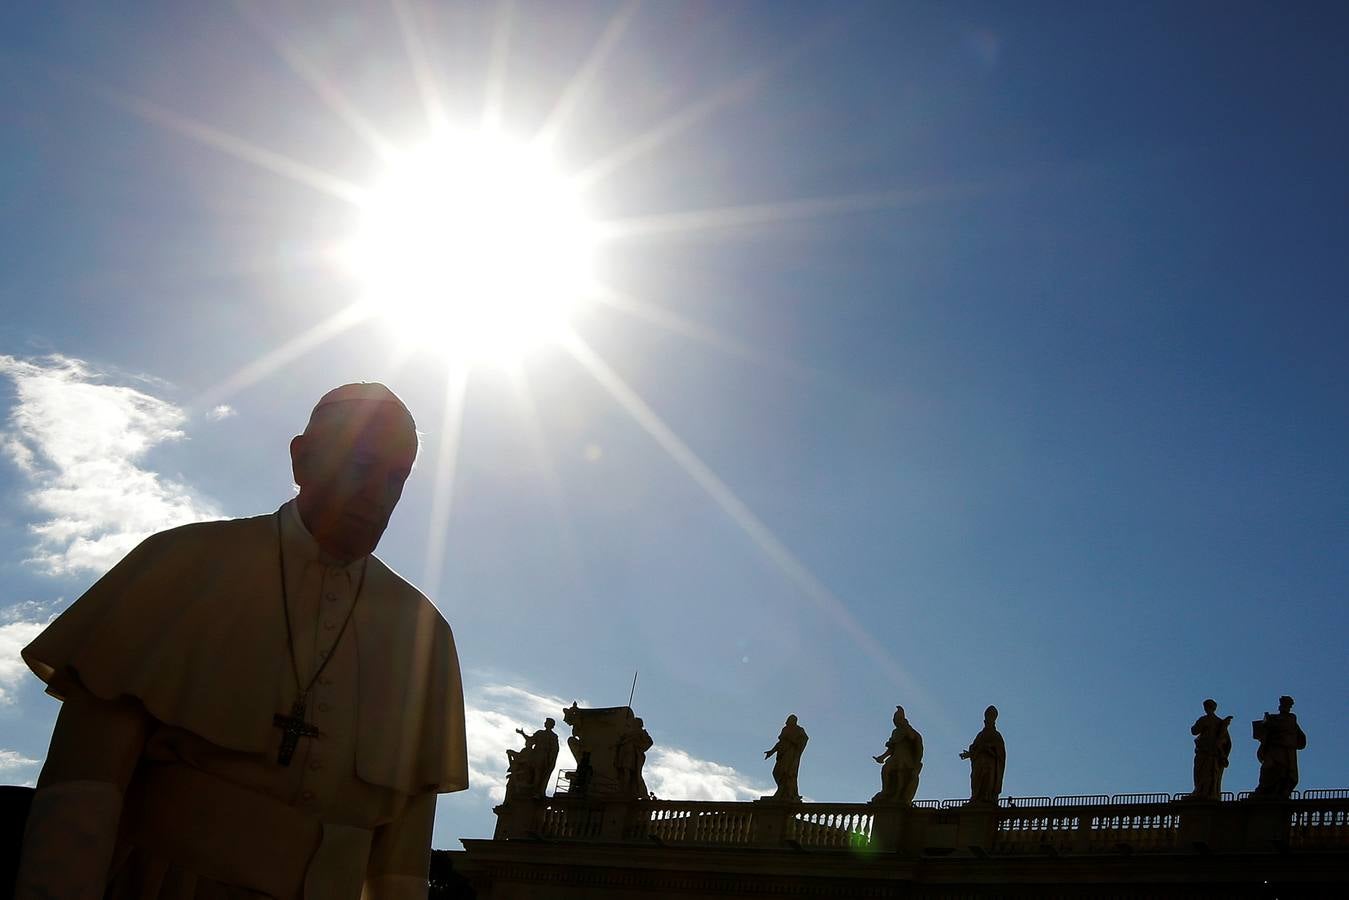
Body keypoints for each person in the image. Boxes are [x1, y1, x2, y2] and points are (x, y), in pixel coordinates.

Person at [15, 383, 468, 899]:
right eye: (362, 466)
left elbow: (400, 869)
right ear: (302, 460)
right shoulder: (181, 566)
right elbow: (79, 799)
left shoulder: (424, 637)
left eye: (397, 478)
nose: (378, 495)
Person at [1251, 695, 1307, 799]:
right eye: (1282, 704)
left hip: (1284, 749)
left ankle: (1277, 791)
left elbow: (1289, 729)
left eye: (1286, 705)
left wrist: (1270, 723)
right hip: (1273, 748)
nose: (1283, 706)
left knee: (1282, 771)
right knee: (1267, 769)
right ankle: (1264, 790)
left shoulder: (1291, 718)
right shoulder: (1274, 717)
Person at [872, 706, 923, 805]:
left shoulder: (909, 730)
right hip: (895, 757)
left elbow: (913, 738)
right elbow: (891, 748)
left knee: (900, 774)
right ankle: (885, 790)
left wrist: (907, 727)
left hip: (905, 758)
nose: (897, 722)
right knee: (886, 770)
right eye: (895, 720)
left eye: (898, 719)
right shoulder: (896, 732)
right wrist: (882, 757)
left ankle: (898, 796)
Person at [960, 705, 1006, 804]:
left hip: (989, 764)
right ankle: (976, 798)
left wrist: (989, 748)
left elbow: (1000, 752)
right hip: (979, 763)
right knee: (976, 779)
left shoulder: (996, 735)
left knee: (987, 780)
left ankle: (987, 797)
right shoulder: (981, 734)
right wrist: (969, 753)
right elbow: (974, 746)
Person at [1189, 699, 1233, 801]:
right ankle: (1206, 791)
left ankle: (1202, 792)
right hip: (1210, 752)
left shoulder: (1205, 720)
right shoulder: (1220, 722)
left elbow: (1194, 730)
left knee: (1203, 772)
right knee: (1208, 773)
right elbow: (1227, 742)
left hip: (1207, 752)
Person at [506, 718, 559, 800]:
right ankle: (530, 789)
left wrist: (549, 760)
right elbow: (530, 740)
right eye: (545, 722)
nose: (545, 723)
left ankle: (536, 791)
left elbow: (554, 750)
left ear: (550, 725)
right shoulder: (540, 733)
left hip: (543, 757)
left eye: (547, 722)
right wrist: (522, 733)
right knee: (531, 771)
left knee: (538, 773)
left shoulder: (553, 736)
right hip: (535, 755)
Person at [763, 715, 808, 801]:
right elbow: (780, 742)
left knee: (786, 773)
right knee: (776, 772)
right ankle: (783, 792)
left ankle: (784, 793)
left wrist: (792, 740)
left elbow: (804, 740)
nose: (787, 722)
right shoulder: (785, 729)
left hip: (790, 754)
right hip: (782, 754)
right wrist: (771, 751)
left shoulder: (799, 730)